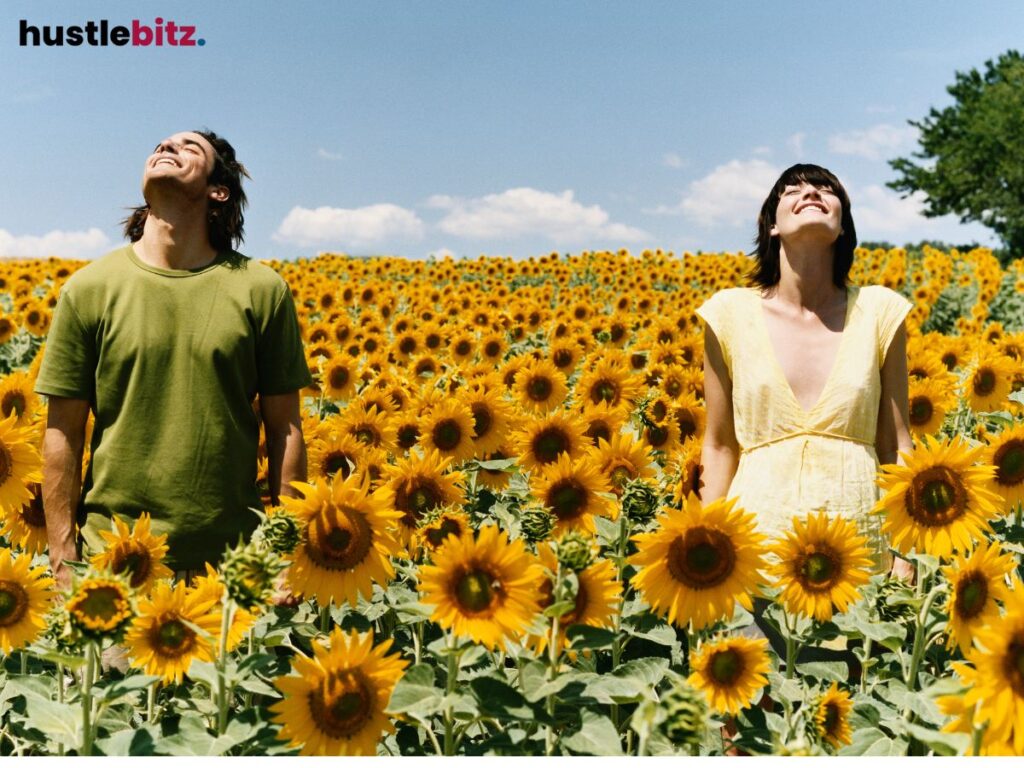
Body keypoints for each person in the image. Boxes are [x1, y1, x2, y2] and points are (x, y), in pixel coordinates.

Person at [37, 130, 312, 588]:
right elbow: (62, 431)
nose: (165, 148)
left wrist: (285, 554)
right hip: (115, 567)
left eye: (188, 148)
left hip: (233, 567)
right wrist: (63, 554)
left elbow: (285, 428)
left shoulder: (260, 290)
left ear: (217, 191)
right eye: (160, 145)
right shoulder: (88, 290)